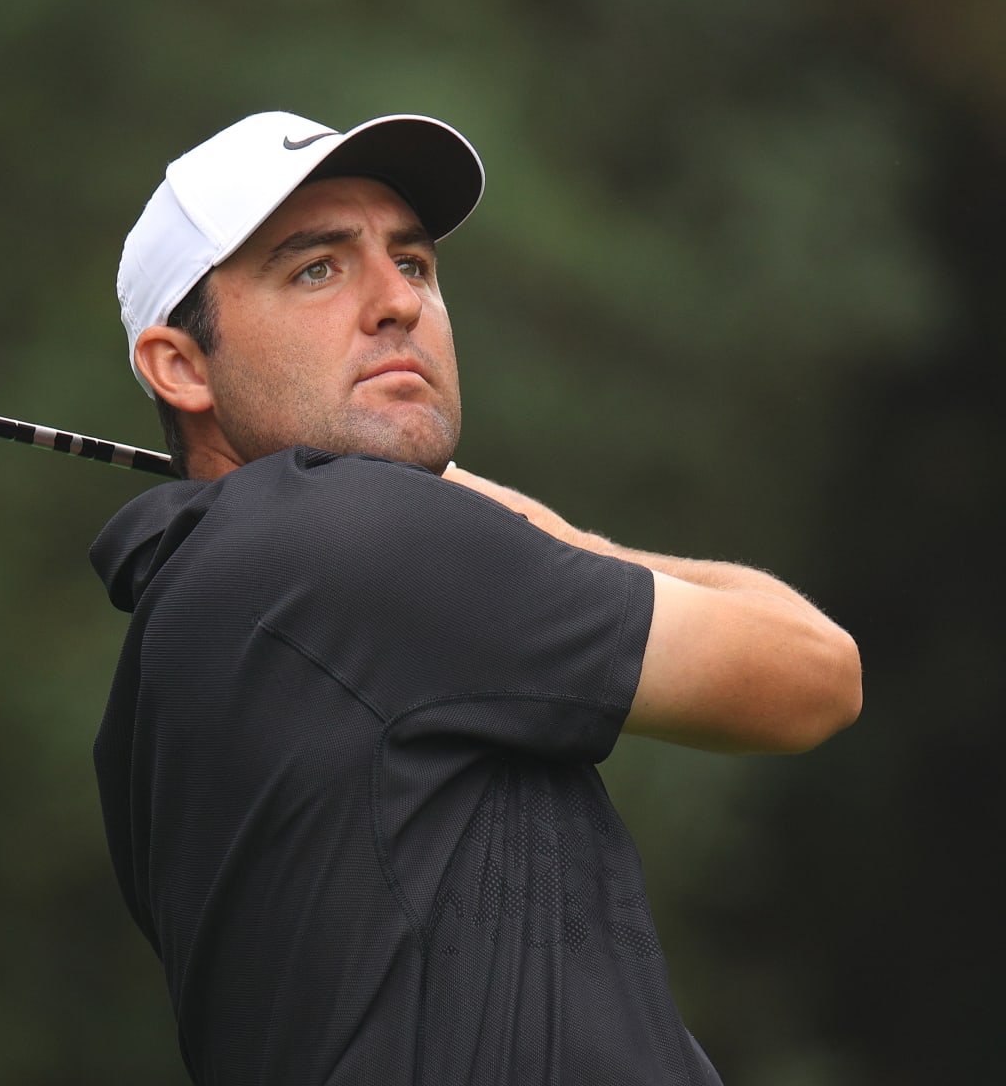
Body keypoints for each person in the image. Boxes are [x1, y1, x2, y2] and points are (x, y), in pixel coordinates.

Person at [90, 111, 861, 1085]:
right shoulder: (347, 539)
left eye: (412, 263)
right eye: (316, 269)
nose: (394, 303)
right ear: (182, 366)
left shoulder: (196, 611)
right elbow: (812, 673)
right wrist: (558, 536)